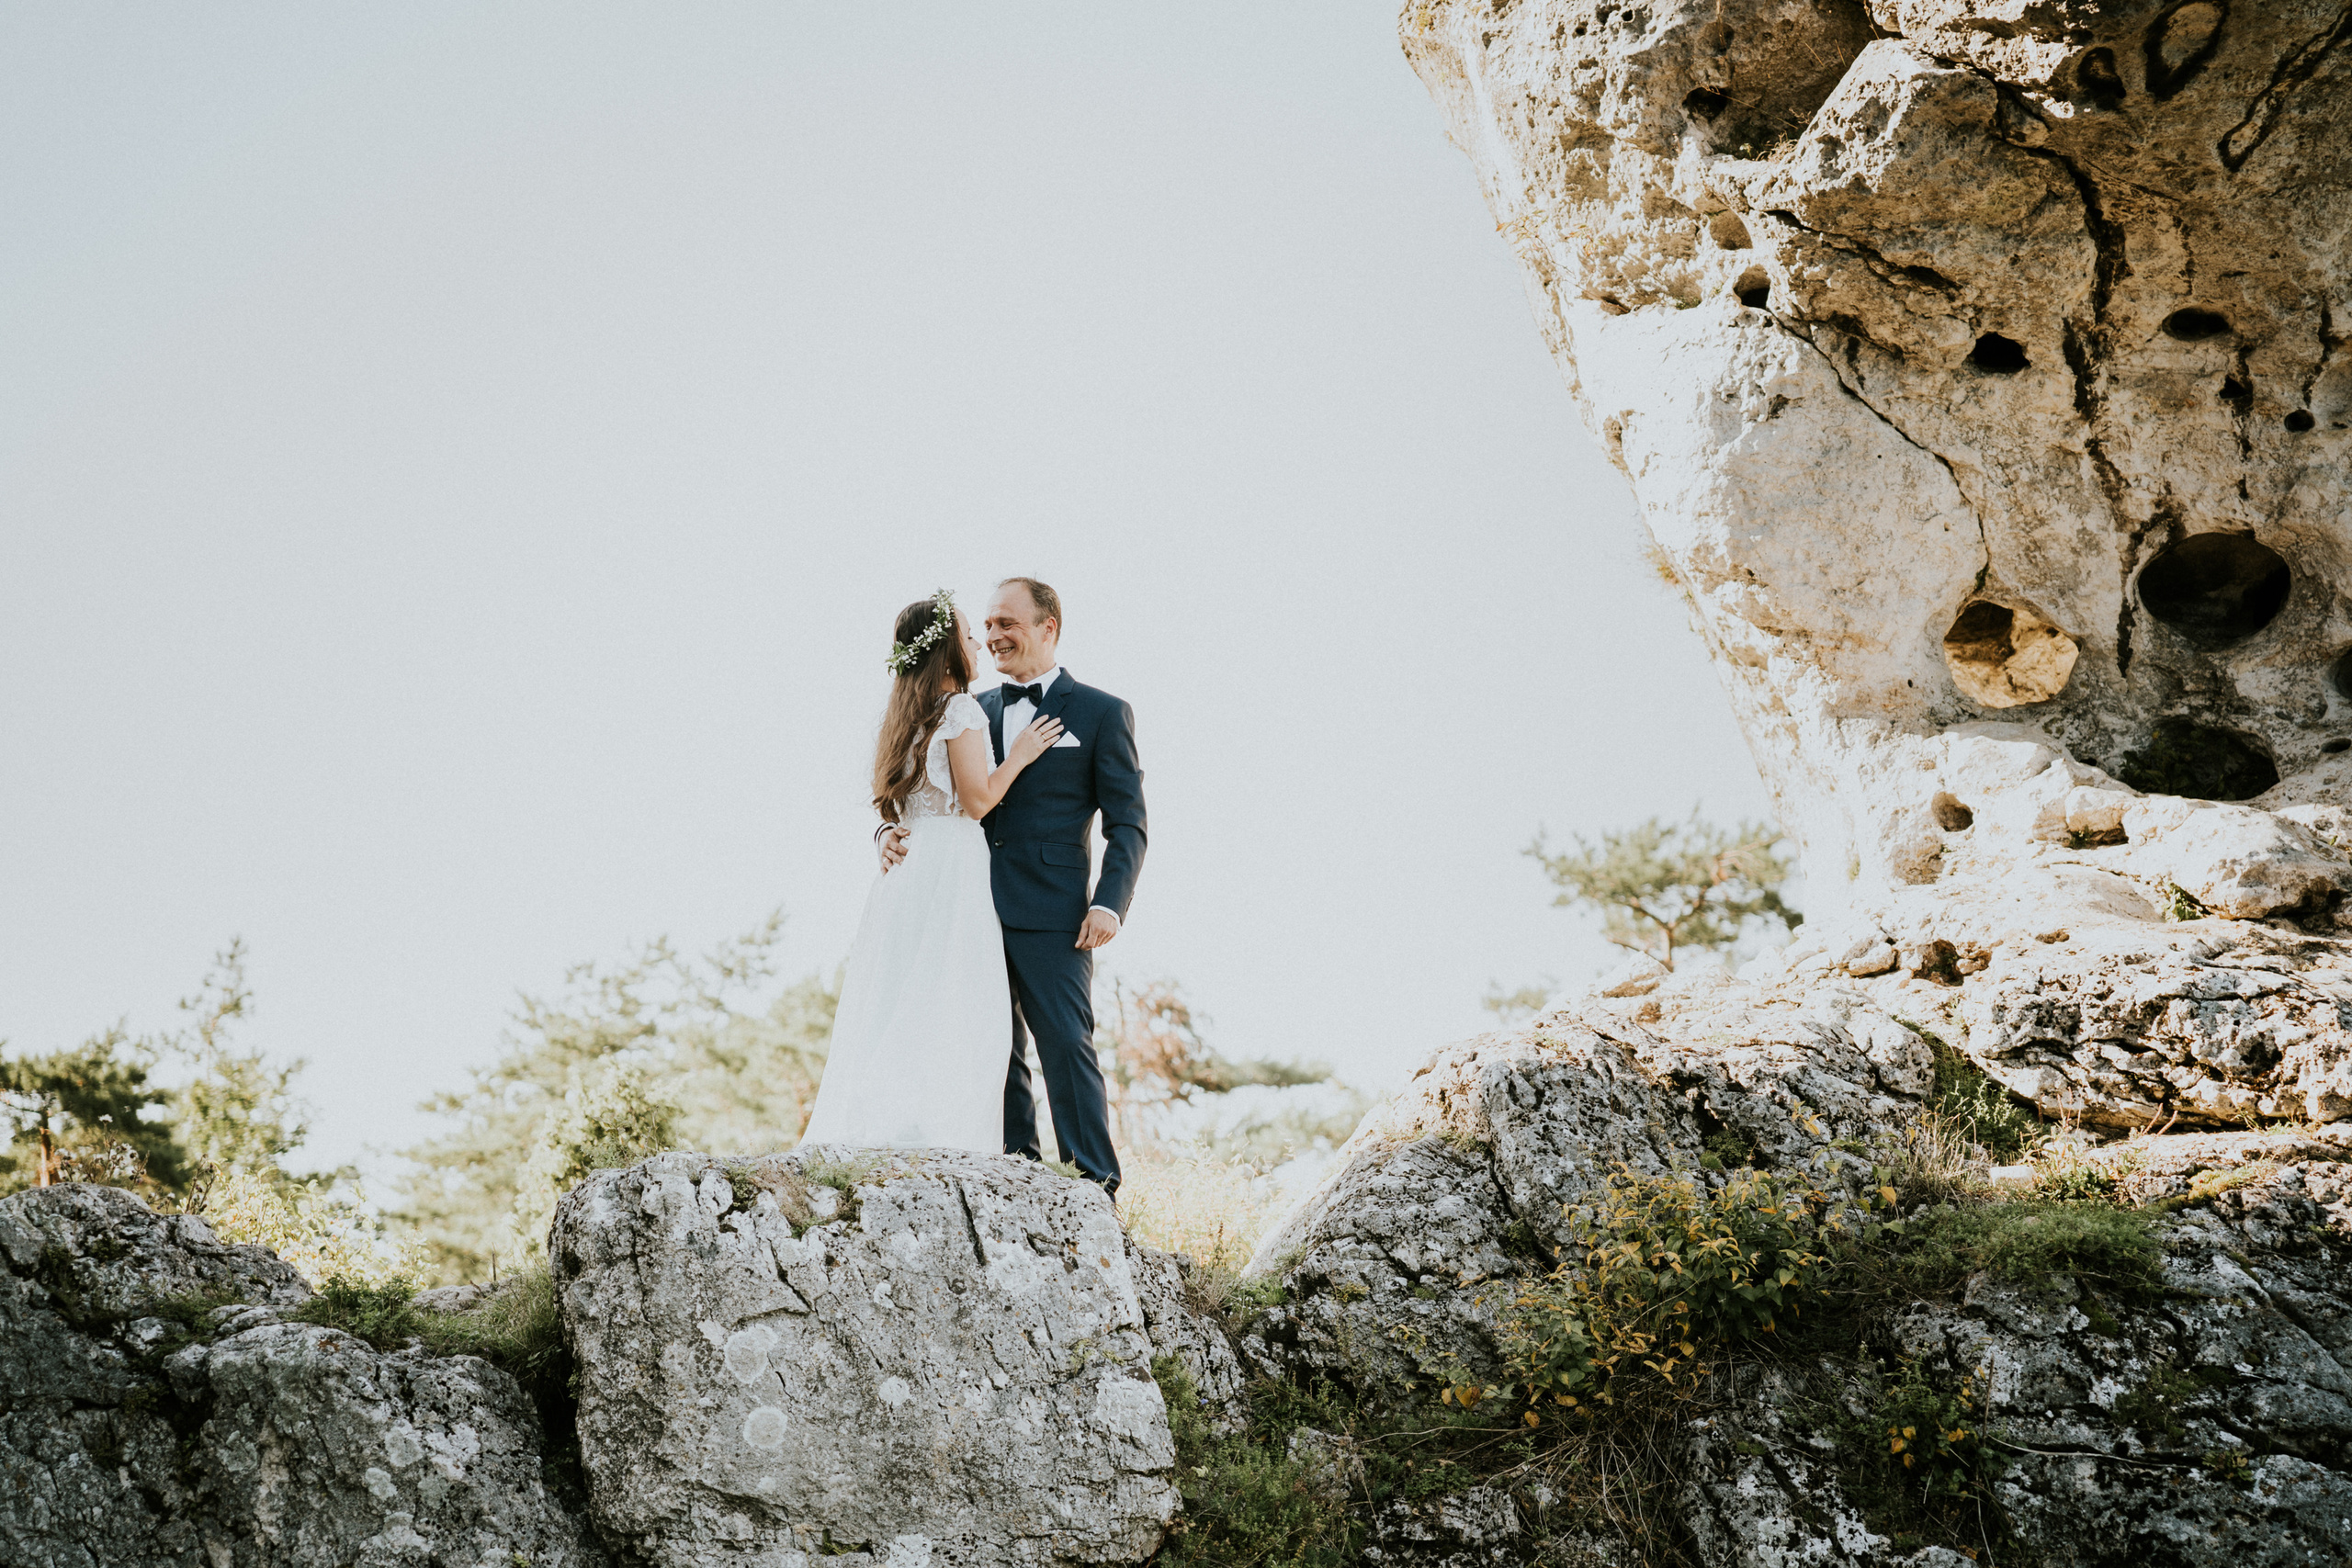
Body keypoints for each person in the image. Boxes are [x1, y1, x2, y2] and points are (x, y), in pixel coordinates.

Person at [877, 577, 1146, 1192]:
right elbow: (919, 782)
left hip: (1054, 909)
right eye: (988, 625)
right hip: (965, 902)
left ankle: (1095, 1183)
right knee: (987, 1040)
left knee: (1065, 1041)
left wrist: (1110, 901)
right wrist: (883, 835)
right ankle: (1015, 1171)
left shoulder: (1102, 712)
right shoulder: (971, 707)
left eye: (1007, 623)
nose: (994, 635)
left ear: (1048, 626)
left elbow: (1129, 821)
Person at [797, 591, 1067, 1150]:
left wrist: (884, 834)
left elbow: (890, 805)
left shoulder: (901, 718)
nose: (976, 643)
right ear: (948, 653)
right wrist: (1018, 754)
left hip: (908, 873)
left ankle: (886, 1124)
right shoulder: (961, 710)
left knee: (898, 999)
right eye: (968, 635)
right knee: (956, 1002)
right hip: (953, 871)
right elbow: (976, 801)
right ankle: (938, 1132)